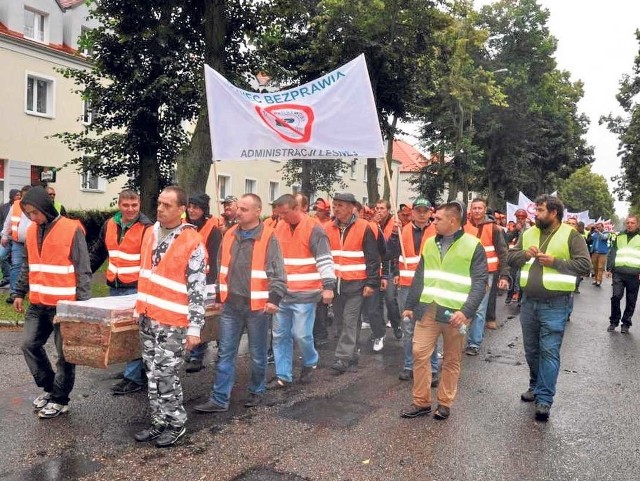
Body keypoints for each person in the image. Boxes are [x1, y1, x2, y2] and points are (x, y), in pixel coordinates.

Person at [194, 194, 286, 413]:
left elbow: (278, 273)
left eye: (244, 209)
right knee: (225, 352)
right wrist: (218, 297)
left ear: (257, 211)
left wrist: (274, 299)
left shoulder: (269, 237)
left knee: (258, 353)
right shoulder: (229, 235)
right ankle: (219, 399)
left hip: (258, 308)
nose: (239, 212)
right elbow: (220, 267)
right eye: (239, 208)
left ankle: (256, 391)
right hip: (231, 306)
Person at [133, 186, 207, 448]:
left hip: (173, 322)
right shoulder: (151, 232)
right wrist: (138, 308)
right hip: (148, 316)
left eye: (167, 205)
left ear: (182, 210)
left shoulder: (191, 241)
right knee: (152, 372)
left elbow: (197, 290)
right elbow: (146, 274)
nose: (160, 209)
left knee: (166, 374)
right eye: (159, 203)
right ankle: (158, 422)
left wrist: (195, 328)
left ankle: (176, 424)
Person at [400, 201, 487, 421]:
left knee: (451, 359)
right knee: (419, 353)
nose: (433, 221)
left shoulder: (473, 245)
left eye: (438, 219)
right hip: (428, 308)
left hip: (455, 314)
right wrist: (410, 305)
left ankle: (445, 403)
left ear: (453, 220)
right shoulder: (430, 243)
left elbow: (480, 282)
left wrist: (466, 312)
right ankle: (421, 402)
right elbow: (420, 275)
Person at [508, 195, 591, 421]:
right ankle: (535, 385)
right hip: (528, 303)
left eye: (541, 210)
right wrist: (524, 254)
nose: (536, 214)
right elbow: (511, 256)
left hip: (555, 304)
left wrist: (555, 262)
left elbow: (585, 265)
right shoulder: (528, 233)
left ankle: (544, 399)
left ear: (554, 213)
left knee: (548, 351)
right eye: (536, 209)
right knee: (531, 350)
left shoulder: (571, 235)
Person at [15, 186, 91, 418]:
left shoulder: (71, 229)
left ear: (45, 207)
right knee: (29, 345)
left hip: (64, 307)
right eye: (27, 214)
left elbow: (83, 270)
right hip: (37, 304)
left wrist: (82, 308)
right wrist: (19, 292)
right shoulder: (30, 231)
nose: (32, 218)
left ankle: (60, 399)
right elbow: (28, 265)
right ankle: (50, 388)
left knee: (65, 355)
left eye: (34, 213)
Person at [90, 189, 152, 395]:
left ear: (139, 204)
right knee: (120, 331)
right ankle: (134, 370)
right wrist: (85, 272)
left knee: (132, 333)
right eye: (126, 205)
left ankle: (133, 377)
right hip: (115, 285)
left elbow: (150, 261)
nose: (130, 209)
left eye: (134, 205)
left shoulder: (147, 228)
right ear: (119, 205)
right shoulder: (110, 224)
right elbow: (99, 251)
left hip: (136, 288)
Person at [269, 194, 335, 387]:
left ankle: (310, 360)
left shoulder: (314, 229)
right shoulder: (279, 227)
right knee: (280, 335)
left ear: (297, 208)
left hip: (305, 294)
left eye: (285, 213)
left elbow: (324, 259)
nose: (282, 217)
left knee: (301, 334)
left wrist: (328, 287)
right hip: (282, 293)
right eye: (279, 214)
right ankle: (283, 376)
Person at [324, 193, 379, 375]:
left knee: (349, 320)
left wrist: (371, 283)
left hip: (356, 284)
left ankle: (342, 357)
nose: (336, 208)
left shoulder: (364, 228)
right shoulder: (327, 228)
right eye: (334, 205)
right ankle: (353, 351)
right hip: (336, 284)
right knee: (342, 321)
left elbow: (372, 258)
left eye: (340, 205)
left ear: (351, 207)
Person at [387, 198, 439, 383]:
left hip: (430, 286)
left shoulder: (438, 231)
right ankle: (409, 365)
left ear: (430, 213)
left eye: (425, 210)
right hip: (407, 286)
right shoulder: (402, 230)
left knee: (429, 327)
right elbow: (390, 253)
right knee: (408, 327)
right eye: (418, 210)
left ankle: (432, 369)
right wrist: (394, 234)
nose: (422, 213)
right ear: (413, 212)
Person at [464, 198, 510, 356]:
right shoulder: (463, 226)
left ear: (485, 210)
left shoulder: (494, 229)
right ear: (471, 210)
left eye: (480, 208)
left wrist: (504, 275)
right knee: (463, 306)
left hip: (486, 273)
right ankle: (460, 339)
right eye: (474, 208)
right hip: (465, 271)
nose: (477, 211)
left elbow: (503, 253)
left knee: (479, 308)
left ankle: (474, 343)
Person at [183, 192, 223, 373]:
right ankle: (194, 350)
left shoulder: (213, 230)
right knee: (192, 316)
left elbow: (215, 258)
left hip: (207, 280)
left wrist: (214, 283)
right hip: (186, 279)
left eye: (196, 207)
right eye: (189, 206)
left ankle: (200, 354)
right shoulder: (183, 227)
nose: (192, 210)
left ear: (203, 209)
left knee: (207, 317)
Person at [374, 199, 403, 340]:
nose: (379, 211)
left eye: (382, 208)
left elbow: (396, 250)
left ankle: (396, 324)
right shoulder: (374, 224)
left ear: (388, 210)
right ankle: (379, 331)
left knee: (390, 299)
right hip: (376, 267)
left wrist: (397, 271)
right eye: (377, 208)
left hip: (390, 266)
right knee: (376, 302)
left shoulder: (395, 223)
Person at [607, 215, 640, 333]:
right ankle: (614, 321)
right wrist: (609, 267)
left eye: (632, 223)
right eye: (628, 223)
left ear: (637, 224)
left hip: (635, 274)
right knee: (616, 296)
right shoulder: (620, 236)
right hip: (619, 273)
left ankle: (626, 323)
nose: (630, 225)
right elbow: (613, 252)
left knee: (631, 300)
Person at [2, 185, 33, 304]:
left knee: (33, 267)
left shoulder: (37, 205)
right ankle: (14, 293)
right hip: (18, 242)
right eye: (23, 196)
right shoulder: (16, 206)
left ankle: (31, 291)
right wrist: (5, 236)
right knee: (16, 266)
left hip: (33, 243)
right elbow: (8, 222)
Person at [0, 189, 21, 286]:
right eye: (17, 195)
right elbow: (3, 222)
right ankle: (7, 276)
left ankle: (15, 285)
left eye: (20, 195)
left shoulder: (22, 206)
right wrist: (3, 235)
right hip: (7, 237)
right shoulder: (4, 207)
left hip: (17, 238)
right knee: (1, 256)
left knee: (16, 262)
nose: (19, 197)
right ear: (12, 196)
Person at [589, 222, 609, 287]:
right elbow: (591, 237)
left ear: (602, 227)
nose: (598, 228)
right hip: (595, 252)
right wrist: (591, 230)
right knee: (595, 267)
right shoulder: (596, 233)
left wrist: (598, 232)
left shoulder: (606, 233)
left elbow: (604, 238)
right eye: (597, 227)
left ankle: (599, 280)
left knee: (600, 267)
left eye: (599, 227)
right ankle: (595, 279)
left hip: (602, 253)